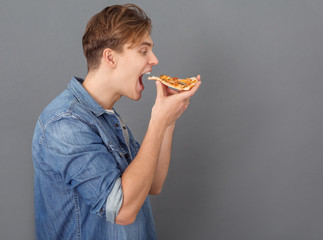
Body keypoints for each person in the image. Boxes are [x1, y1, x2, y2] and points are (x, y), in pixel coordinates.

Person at [31, 4, 201, 240]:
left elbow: (153, 183)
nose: (154, 60)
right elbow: (121, 209)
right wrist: (158, 122)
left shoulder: (105, 118)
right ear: (110, 57)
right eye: (143, 51)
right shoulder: (64, 124)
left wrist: (169, 121)